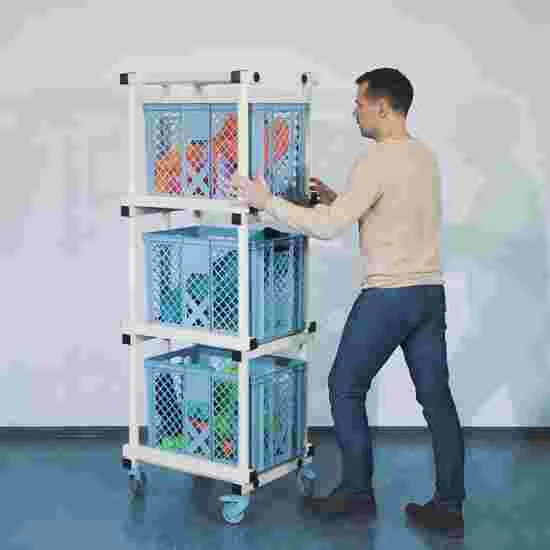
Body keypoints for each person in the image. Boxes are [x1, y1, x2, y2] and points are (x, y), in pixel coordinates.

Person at [231, 67, 466, 534]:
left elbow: (326, 227)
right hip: (428, 294)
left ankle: (357, 494)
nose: (354, 112)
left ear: (382, 106)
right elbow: (392, 213)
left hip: (389, 296)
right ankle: (449, 506)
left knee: (345, 386)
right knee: (437, 400)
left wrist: (265, 200)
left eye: (359, 103)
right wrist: (338, 199)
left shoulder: (375, 161)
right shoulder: (424, 157)